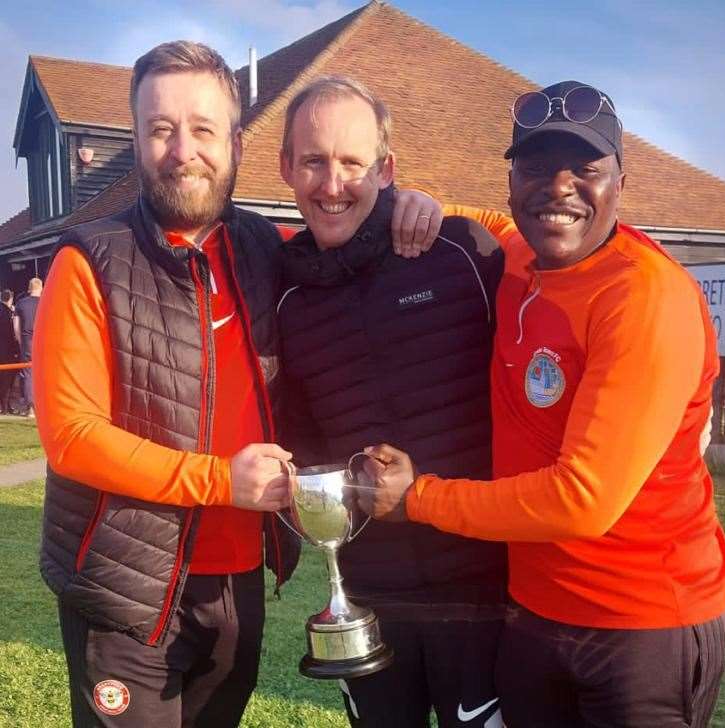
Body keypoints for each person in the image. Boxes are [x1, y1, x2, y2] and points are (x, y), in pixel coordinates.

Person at [33, 41, 439, 728]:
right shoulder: (90, 261)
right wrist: (219, 481)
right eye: (160, 129)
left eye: (201, 129)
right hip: (126, 597)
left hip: (237, 584)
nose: (181, 150)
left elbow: (351, 225)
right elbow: (72, 437)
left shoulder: (268, 250)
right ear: (134, 139)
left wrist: (413, 204)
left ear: (236, 143)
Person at [361, 81, 725, 727]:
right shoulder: (519, 255)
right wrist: (414, 202)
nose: (558, 187)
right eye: (535, 168)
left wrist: (417, 498)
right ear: (510, 179)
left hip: (640, 623)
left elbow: (581, 500)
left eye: (585, 170)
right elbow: (481, 221)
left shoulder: (642, 297)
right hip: (533, 612)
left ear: (620, 180)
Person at [277, 76, 506, 728]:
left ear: (386, 170)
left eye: (352, 163)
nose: (331, 184)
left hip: (485, 595)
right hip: (367, 597)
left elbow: (575, 256)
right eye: (314, 161)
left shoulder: (464, 252)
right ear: (286, 167)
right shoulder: (282, 292)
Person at [14, 277, 41, 416]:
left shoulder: (20, 304)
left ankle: (31, 408)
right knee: (45, 371)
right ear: (41, 288)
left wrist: (20, 342)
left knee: (28, 373)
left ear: (29, 288)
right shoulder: (46, 302)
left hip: (27, 341)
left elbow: (16, 328)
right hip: (43, 341)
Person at [0, 288, 19, 414]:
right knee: (7, 379)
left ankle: (4, 405)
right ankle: (5, 406)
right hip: (7, 350)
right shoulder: (9, 313)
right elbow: (12, 333)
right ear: (10, 299)